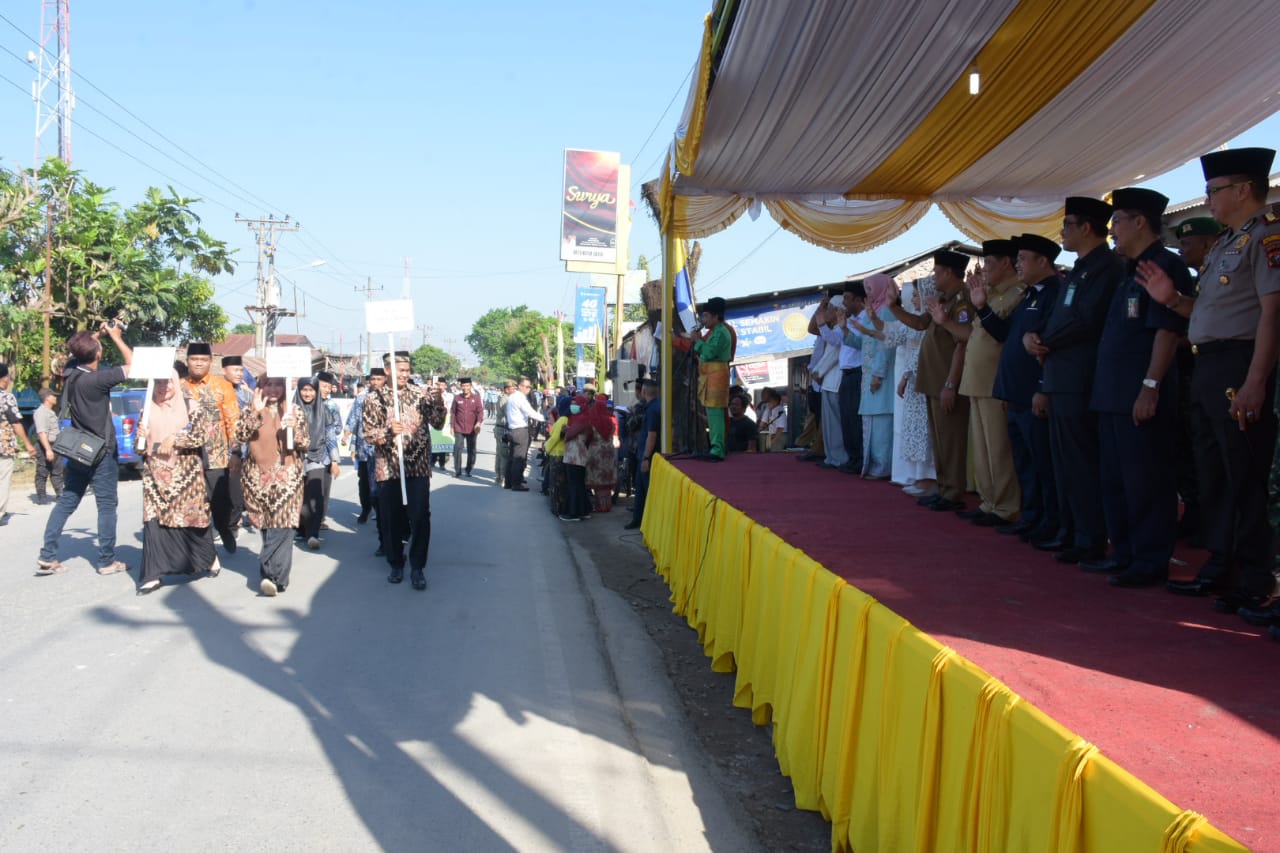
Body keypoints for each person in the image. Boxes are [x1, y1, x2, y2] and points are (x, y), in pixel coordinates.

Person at [1136, 148, 1280, 625]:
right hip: (1208, 367)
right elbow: (1206, 314)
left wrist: (1256, 380)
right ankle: (1223, 564)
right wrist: (1172, 299)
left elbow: (1272, 313)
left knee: (1244, 473)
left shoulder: (1267, 236)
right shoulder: (1224, 244)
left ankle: (1257, 578)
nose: (1207, 199)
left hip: (1240, 366)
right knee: (1213, 473)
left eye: (1214, 191)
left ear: (1242, 190)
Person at [1087, 187, 1191, 587]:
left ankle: (1150, 560)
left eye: (1117, 222)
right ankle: (1127, 553)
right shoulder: (1131, 269)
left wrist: (1150, 386)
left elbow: (1166, 330)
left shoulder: (1164, 266)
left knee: (1146, 479)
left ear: (1140, 222)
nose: (1112, 231)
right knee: (1116, 480)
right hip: (1114, 393)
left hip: (1140, 392)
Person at [1024, 198, 1125, 564]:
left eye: (1067, 224)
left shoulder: (1107, 268)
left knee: (1083, 463)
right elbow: (1056, 316)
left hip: (1081, 376)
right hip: (1060, 375)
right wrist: (1032, 335)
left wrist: (1045, 341)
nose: (1062, 231)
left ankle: (1091, 537)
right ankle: (1074, 532)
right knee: (1066, 463)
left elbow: (1087, 319)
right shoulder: (1080, 269)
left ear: (1086, 228)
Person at [37, 322, 133, 575]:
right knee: (106, 505)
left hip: (79, 450)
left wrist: (100, 334)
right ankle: (106, 560)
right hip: (102, 452)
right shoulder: (97, 380)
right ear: (97, 354)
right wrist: (116, 337)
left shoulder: (71, 372)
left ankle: (47, 555)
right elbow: (133, 365)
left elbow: (77, 348)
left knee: (68, 499)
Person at [987, 234, 1062, 543]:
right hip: (1016, 394)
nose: (1018, 263)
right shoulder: (1029, 296)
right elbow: (1007, 337)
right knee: (1025, 464)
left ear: (1043, 261)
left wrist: (1042, 388)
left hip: (1036, 393)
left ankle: (1051, 521)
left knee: (1044, 463)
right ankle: (1031, 517)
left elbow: (1049, 347)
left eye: (1023, 258)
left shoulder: (1053, 294)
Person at [889, 250, 974, 512]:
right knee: (940, 440)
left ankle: (954, 493)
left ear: (948, 272)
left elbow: (963, 340)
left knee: (951, 440)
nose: (933, 277)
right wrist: (893, 306)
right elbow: (919, 323)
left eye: (937, 272)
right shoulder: (942, 298)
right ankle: (945, 488)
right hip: (933, 380)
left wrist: (951, 383)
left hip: (947, 380)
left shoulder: (962, 301)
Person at [363, 351, 447, 591]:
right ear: (388, 370)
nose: (404, 374)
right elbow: (368, 434)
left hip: (418, 465)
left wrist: (439, 401)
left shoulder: (420, 395)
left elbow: (438, 422)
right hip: (388, 467)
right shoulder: (374, 399)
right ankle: (396, 562)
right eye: (400, 370)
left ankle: (418, 566)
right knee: (391, 518)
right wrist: (388, 432)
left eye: (407, 370)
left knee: (420, 516)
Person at [956, 239, 1025, 527]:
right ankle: (989, 502)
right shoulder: (990, 294)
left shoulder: (1016, 294)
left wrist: (982, 305)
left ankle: (1006, 506)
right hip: (977, 381)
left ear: (1007, 264)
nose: (984, 271)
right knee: (983, 451)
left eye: (989, 265)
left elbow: (1002, 334)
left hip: (996, 382)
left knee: (999, 450)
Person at [135, 371, 219, 595]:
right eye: (158, 382)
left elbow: (202, 435)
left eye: (167, 381)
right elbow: (138, 448)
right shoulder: (147, 408)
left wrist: (176, 438)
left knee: (191, 522)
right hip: (155, 476)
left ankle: (208, 558)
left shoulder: (191, 406)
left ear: (175, 382)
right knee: (154, 524)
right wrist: (141, 437)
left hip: (186, 475)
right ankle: (152, 574)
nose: (163, 387)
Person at [1169, 217, 1221, 545]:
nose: (1182, 249)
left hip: (1209, 370)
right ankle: (1195, 515)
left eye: (1187, 243)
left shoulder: (1206, 278)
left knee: (1209, 456)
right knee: (1189, 454)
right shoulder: (1198, 280)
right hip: (1193, 375)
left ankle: (1208, 524)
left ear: (1207, 244)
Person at [236, 375, 307, 596]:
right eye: (269, 384)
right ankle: (276, 576)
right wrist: (256, 412)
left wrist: (294, 428)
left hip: (287, 475)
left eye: (278, 384)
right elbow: (240, 434)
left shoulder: (294, 410)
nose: (274, 389)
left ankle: (272, 576)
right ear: (261, 387)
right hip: (257, 477)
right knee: (267, 525)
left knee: (283, 525)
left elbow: (306, 442)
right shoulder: (250, 408)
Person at [182, 342, 240, 553]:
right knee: (195, 505)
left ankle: (225, 529)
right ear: (187, 361)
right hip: (187, 458)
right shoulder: (180, 386)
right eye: (194, 359)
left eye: (203, 360)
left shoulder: (222, 386)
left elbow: (232, 420)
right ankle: (202, 551)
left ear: (210, 362)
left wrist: (235, 452)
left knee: (220, 503)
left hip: (217, 456)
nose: (198, 363)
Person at [880, 279, 935, 495]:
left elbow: (923, 353)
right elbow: (891, 338)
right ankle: (919, 477)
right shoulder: (913, 323)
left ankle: (929, 480)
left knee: (925, 433)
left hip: (924, 381)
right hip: (914, 383)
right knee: (914, 432)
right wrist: (874, 320)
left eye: (915, 295)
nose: (911, 299)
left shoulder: (927, 322)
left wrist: (906, 375)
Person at [854, 274, 898, 478]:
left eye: (870, 289)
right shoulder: (872, 312)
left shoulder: (888, 312)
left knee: (881, 424)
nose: (867, 293)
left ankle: (883, 467)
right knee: (872, 422)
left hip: (882, 376)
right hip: (869, 374)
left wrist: (878, 374)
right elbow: (862, 342)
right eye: (866, 289)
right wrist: (846, 329)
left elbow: (886, 345)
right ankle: (874, 465)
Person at [295, 377, 340, 549]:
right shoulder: (290, 410)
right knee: (300, 500)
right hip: (295, 459)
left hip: (318, 457)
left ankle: (313, 533)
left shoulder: (324, 411)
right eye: (304, 390)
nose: (307, 393)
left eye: (311, 390)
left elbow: (330, 437)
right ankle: (302, 529)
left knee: (315, 497)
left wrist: (334, 460)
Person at [687, 296, 734, 461]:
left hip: (716, 375)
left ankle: (717, 449)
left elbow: (707, 353)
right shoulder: (716, 331)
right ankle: (715, 447)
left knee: (715, 414)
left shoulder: (721, 332)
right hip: (711, 375)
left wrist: (697, 341)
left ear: (716, 316)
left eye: (706, 316)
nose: (703, 320)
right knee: (713, 414)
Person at [343, 368, 384, 524]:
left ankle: (381, 513)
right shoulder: (361, 398)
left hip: (380, 450)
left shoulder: (388, 398)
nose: (375, 382)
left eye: (379, 379)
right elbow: (353, 418)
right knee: (364, 482)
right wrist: (347, 432)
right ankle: (366, 508)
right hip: (363, 447)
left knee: (379, 483)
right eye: (373, 379)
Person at [0, 363, 38, 523]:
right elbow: (15, 422)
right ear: (4, 378)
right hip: (3, 445)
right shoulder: (6, 397)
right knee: (3, 479)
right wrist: (28, 444)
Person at [221, 355, 253, 532]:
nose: (239, 374)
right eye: (235, 370)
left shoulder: (246, 393)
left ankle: (233, 522)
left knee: (237, 488)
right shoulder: (215, 390)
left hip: (241, 448)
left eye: (241, 370)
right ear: (224, 371)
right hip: (219, 448)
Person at [626, 380, 661, 530]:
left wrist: (646, 457)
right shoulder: (650, 407)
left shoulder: (653, 409)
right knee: (639, 491)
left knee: (647, 491)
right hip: (641, 453)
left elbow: (652, 435)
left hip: (647, 455)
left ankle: (650, 525)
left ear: (644, 392)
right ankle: (638, 520)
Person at [504, 376, 544, 490]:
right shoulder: (520, 398)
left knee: (512, 457)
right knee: (519, 458)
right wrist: (544, 419)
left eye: (529, 387)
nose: (528, 389)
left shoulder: (512, 397)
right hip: (520, 430)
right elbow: (530, 412)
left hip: (512, 429)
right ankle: (516, 484)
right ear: (520, 386)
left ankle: (508, 482)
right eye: (526, 387)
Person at [315, 371, 343, 529]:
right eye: (323, 386)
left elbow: (338, 428)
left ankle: (320, 519)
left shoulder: (332, 406)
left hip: (326, 453)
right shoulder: (304, 403)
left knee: (324, 489)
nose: (326, 389)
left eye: (328, 387)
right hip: (307, 455)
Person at [560, 394, 593, 521]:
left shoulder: (581, 419)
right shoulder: (581, 418)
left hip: (574, 455)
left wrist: (566, 430)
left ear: (582, 405)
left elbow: (568, 435)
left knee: (574, 484)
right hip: (580, 454)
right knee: (578, 484)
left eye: (576, 403)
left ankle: (573, 513)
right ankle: (583, 511)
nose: (573, 406)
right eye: (572, 403)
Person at [32, 387, 64, 505]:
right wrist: (48, 450)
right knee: (42, 471)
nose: (56, 398)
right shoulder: (41, 412)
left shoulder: (50, 412)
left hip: (54, 444)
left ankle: (60, 493)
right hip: (45, 445)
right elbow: (42, 433)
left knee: (57, 470)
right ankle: (42, 496)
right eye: (53, 396)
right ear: (47, 398)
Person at [586, 396, 618, 510]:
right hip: (609, 452)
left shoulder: (593, 422)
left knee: (598, 479)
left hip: (596, 452)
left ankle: (599, 506)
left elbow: (588, 436)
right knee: (606, 478)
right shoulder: (610, 422)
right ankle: (607, 505)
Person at [450, 377, 484, 477]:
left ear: (471, 386)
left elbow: (480, 412)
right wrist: (452, 426)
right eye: (463, 386)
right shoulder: (457, 398)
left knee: (471, 450)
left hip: (472, 429)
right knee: (457, 449)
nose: (465, 388)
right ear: (460, 387)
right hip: (459, 428)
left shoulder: (476, 398)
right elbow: (453, 412)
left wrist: (478, 423)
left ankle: (468, 469)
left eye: (467, 386)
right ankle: (457, 470)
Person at [493, 379, 515, 486]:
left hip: (500, 428)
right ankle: (502, 476)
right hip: (503, 429)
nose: (514, 390)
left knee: (499, 453)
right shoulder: (506, 400)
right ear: (507, 389)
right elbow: (509, 415)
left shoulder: (506, 398)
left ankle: (498, 476)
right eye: (512, 388)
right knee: (504, 454)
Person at [432, 378, 454, 471]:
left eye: (442, 385)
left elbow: (453, 409)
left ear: (445, 386)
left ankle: (442, 463)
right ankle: (432, 461)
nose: (440, 386)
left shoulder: (450, 396)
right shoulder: (432, 395)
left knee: (443, 442)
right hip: (434, 420)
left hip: (446, 421)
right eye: (438, 385)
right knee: (434, 441)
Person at [757, 387, 788, 452]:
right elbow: (762, 424)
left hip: (777, 436)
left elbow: (780, 428)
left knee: (774, 454)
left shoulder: (779, 410)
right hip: (771, 435)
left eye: (764, 394)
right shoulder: (768, 408)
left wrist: (773, 441)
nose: (762, 395)